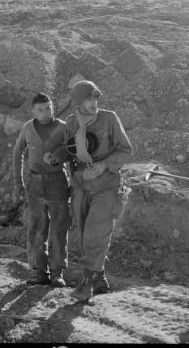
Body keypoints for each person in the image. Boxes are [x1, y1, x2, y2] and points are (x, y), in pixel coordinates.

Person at [62, 80, 133, 303]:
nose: (93, 104)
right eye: (87, 100)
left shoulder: (109, 119)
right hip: (82, 185)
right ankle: (99, 278)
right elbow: (68, 152)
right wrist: (55, 157)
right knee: (84, 234)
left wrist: (104, 165)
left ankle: (86, 284)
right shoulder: (72, 123)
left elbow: (125, 149)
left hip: (107, 186)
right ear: (78, 102)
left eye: (95, 99)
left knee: (96, 232)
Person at [12, 92, 71, 287]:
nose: (45, 112)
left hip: (57, 183)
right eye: (40, 109)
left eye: (48, 108)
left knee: (59, 228)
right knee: (37, 228)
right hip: (34, 184)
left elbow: (72, 152)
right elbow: (18, 152)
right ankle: (38, 272)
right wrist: (18, 183)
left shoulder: (63, 128)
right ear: (33, 111)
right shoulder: (28, 128)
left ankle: (57, 272)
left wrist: (60, 157)